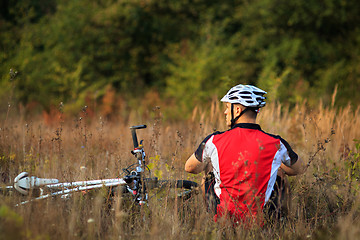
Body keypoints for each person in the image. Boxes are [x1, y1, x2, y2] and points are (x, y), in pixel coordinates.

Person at [185, 84, 304, 225]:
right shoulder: (276, 143)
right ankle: (283, 222)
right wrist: (276, 167)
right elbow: (299, 169)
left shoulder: (214, 140)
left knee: (208, 175)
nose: (225, 112)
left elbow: (190, 168)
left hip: (225, 219)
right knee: (280, 176)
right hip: (261, 220)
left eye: (227, 107)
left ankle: (211, 221)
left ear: (237, 109)